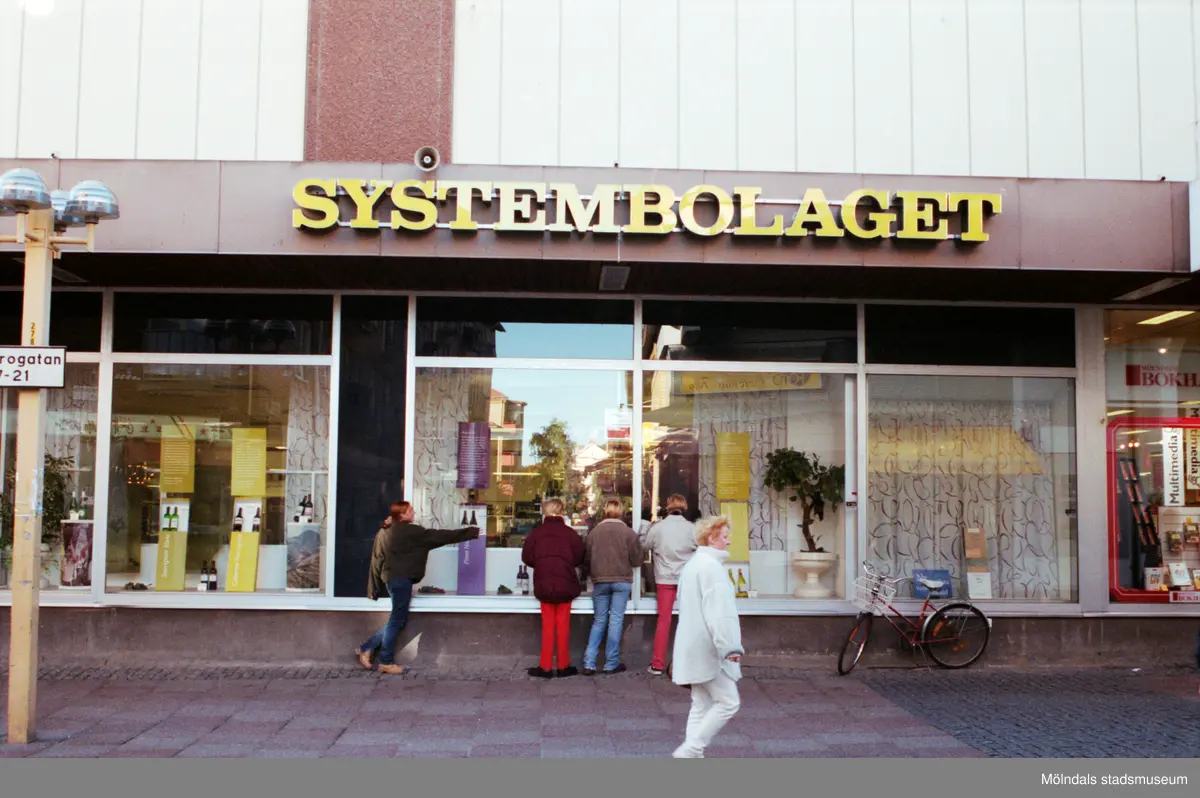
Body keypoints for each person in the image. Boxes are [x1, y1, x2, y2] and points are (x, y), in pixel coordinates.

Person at [357, 501, 479, 674]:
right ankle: (384, 660)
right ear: (403, 515)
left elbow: (377, 559)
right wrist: (472, 532)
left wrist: (374, 588)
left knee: (397, 618)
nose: (413, 512)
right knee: (397, 620)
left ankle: (367, 647)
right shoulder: (413, 532)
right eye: (410, 510)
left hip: (391, 580)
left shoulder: (385, 531)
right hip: (402, 580)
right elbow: (441, 536)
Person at [671, 515, 743, 759]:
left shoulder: (693, 564)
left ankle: (692, 757)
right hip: (708, 647)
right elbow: (719, 613)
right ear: (712, 538)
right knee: (729, 702)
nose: (728, 541)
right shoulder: (712, 568)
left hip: (692, 643)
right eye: (724, 536)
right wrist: (730, 647)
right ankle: (690, 751)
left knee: (701, 704)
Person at [522, 497, 586, 678]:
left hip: (544, 582)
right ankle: (564, 665)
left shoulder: (537, 533)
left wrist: (542, 564)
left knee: (548, 626)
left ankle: (545, 666)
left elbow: (527, 557)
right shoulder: (570, 533)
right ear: (561, 511)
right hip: (565, 582)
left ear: (545, 511)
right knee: (563, 625)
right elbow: (580, 556)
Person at [581, 498, 643, 675]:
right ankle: (611, 663)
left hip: (600, 580)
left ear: (605, 511)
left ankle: (589, 662)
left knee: (599, 620)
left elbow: (586, 558)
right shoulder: (629, 533)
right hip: (622, 581)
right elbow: (637, 560)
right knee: (616, 620)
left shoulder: (594, 533)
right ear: (621, 512)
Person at [642, 494, 698, 675]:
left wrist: (645, 529)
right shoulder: (692, 528)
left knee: (663, 621)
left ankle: (657, 664)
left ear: (667, 507)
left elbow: (645, 546)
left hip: (664, 578)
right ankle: (686, 663)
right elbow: (700, 548)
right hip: (685, 579)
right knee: (687, 621)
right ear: (684, 507)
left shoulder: (658, 528)